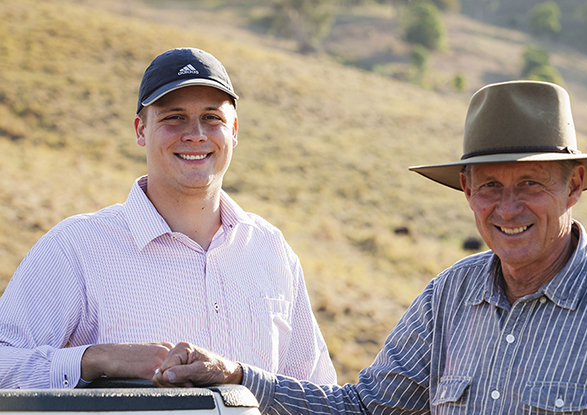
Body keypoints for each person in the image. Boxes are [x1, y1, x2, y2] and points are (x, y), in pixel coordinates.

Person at [151, 80, 587, 414]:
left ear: (574, 186)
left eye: (531, 185)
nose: (508, 208)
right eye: (490, 187)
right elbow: (366, 408)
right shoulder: (450, 298)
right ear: (467, 191)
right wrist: (238, 377)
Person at [0, 47, 336, 389]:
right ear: (141, 130)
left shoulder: (270, 249)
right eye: (173, 117)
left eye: (212, 118)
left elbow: (316, 394)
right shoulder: (76, 248)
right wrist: (96, 359)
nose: (195, 134)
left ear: (233, 130)